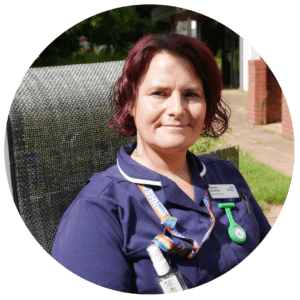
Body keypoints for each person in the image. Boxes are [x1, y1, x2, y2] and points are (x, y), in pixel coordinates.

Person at [52, 33, 272, 294]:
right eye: (159, 93)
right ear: (131, 103)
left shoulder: (225, 174)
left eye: (191, 94)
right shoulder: (97, 209)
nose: (177, 109)